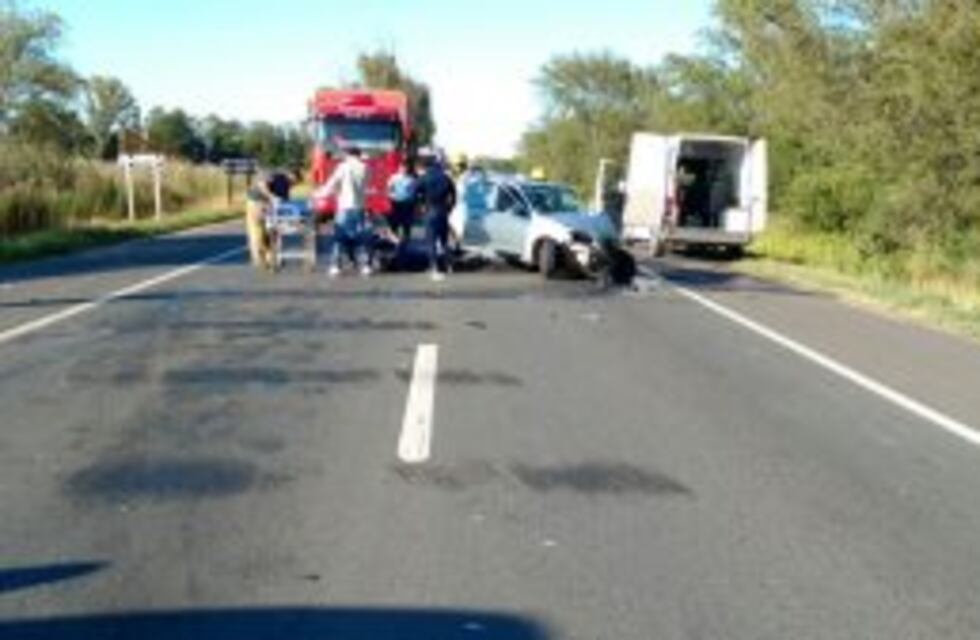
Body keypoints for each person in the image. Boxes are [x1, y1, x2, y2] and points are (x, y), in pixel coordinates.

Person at [314, 146, 372, 278]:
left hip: (345, 207)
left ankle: (335, 266)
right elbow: (364, 186)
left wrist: (317, 195)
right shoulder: (366, 168)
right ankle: (365, 265)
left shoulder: (343, 167)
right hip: (360, 206)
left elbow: (332, 185)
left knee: (339, 237)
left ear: (349, 155)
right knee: (361, 236)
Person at [416, 153, 457, 281]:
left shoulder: (423, 178)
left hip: (430, 210)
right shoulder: (445, 177)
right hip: (443, 210)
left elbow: (415, 193)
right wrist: (450, 208)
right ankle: (449, 266)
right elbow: (454, 194)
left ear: (425, 166)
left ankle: (434, 268)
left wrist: (420, 206)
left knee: (431, 241)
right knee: (444, 240)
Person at [245, 169, 292, 270]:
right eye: (293, 179)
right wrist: (272, 197)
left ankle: (272, 259)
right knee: (257, 233)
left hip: (270, 206)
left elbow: (285, 201)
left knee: (272, 232)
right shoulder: (272, 174)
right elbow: (263, 186)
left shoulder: (287, 185)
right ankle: (259, 259)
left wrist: (286, 215)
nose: (293, 183)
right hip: (256, 202)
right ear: (289, 174)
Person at [386, 159, 418, 245]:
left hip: (407, 204)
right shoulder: (394, 177)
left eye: (405, 168)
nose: (404, 169)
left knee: (406, 223)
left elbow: (414, 192)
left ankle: (406, 241)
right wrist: (390, 196)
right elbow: (389, 188)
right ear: (399, 168)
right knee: (394, 223)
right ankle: (394, 240)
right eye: (402, 167)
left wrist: (414, 203)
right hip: (395, 202)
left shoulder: (411, 179)